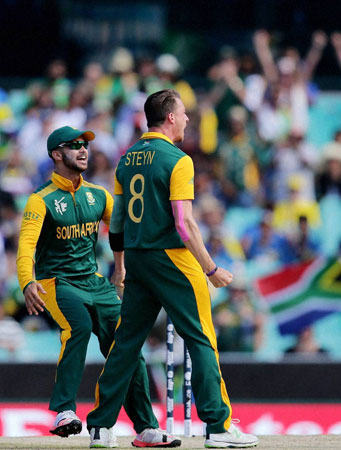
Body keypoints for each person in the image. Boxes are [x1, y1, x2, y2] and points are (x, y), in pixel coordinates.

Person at [85, 89, 258, 448]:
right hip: (172, 259)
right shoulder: (179, 160)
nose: (188, 119)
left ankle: (101, 427)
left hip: (137, 258)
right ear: (170, 117)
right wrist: (211, 268)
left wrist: (120, 266)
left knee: (126, 342)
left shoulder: (126, 160)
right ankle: (218, 427)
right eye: (184, 113)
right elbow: (184, 223)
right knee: (201, 337)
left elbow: (117, 221)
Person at [16, 126, 179, 446]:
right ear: (56, 154)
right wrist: (27, 282)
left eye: (85, 145)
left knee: (128, 344)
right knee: (78, 327)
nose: (83, 150)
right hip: (57, 282)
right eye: (74, 145)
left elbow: (120, 230)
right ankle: (64, 411)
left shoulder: (98, 195)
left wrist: (120, 267)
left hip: (95, 282)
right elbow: (26, 246)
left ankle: (146, 428)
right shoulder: (40, 200)